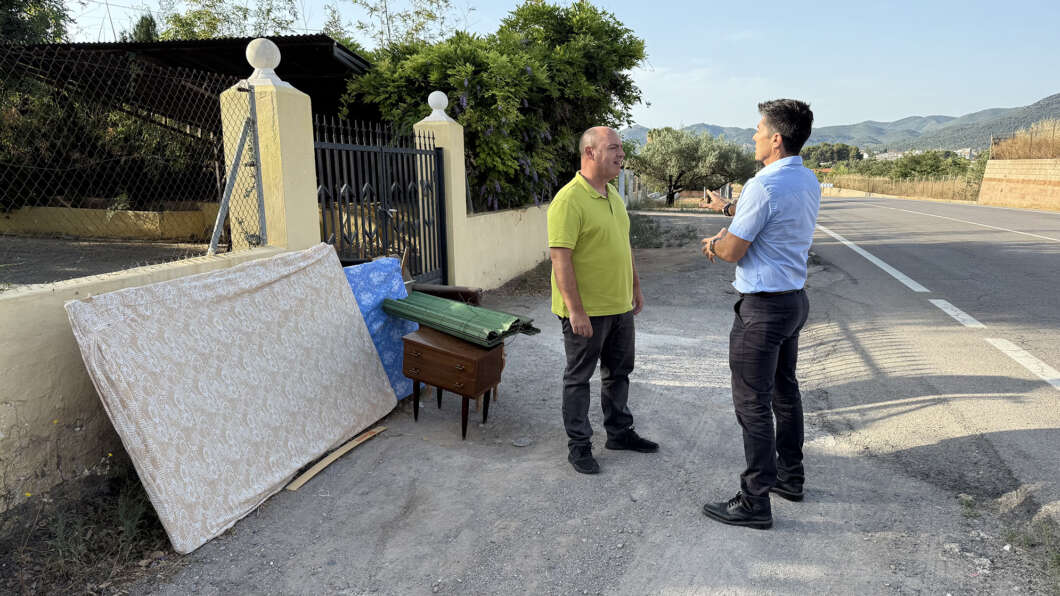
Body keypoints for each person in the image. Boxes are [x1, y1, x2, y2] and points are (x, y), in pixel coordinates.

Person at [699, 99, 820, 529]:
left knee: (752, 402)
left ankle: (754, 500)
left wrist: (715, 243)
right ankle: (790, 477)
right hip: (793, 302)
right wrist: (727, 208)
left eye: (758, 130)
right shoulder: (807, 179)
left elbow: (733, 250)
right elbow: (769, 215)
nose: (753, 136)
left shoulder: (762, 185)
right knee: (785, 393)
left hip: (763, 310)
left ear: (776, 138)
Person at [548, 126, 659, 475]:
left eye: (621, 148)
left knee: (619, 372)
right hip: (587, 311)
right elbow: (560, 258)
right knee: (578, 378)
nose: (621, 154)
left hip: (619, 306)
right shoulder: (568, 200)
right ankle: (579, 446)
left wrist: (635, 287)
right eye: (613, 147)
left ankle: (619, 433)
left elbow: (623, 246)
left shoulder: (612, 195)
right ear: (590, 152)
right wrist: (576, 310)